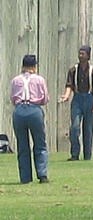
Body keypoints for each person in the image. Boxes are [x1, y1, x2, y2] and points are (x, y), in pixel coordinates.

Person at [10, 54, 49, 183]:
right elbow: (44, 99)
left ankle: (25, 177)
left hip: (19, 110)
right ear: (34, 66)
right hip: (34, 110)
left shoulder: (16, 80)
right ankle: (42, 174)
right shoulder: (39, 80)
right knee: (40, 143)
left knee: (22, 144)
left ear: (23, 66)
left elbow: (13, 98)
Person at [60, 45, 93, 161]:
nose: (80, 56)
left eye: (83, 53)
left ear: (88, 56)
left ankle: (87, 156)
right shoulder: (73, 70)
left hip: (89, 98)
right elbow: (69, 85)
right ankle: (75, 154)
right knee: (74, 127)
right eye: (79, 53)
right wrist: (66, 96)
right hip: (77, 99)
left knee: (88, 129)